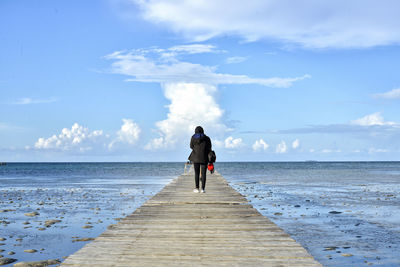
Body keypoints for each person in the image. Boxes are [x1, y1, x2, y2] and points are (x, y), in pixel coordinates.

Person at [189, 126, 212, 193]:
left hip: (195, 157)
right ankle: (203, 189)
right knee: (204, 173)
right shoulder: (207, 138)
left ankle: (196, 188)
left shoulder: (193, 137)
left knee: (196, 173)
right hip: (204, 158)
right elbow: (209, 147)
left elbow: (191, 146)